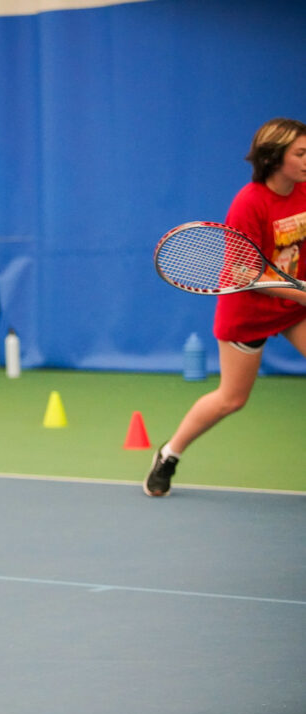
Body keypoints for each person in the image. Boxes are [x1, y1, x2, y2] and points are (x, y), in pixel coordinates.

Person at [145, 117, 306, 496]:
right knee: (231, 399)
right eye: (300, 154)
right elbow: (245, 273)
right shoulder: (249, 203)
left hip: (294, 307)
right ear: (274, 157)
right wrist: (302, 293)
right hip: (249, 312)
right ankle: (169, 454)